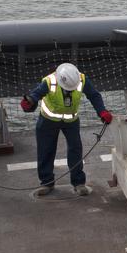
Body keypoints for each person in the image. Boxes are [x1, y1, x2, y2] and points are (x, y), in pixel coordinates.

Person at [19, 62, 112, 196]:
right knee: (45, 150)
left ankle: (78, 182)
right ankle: (47, 182)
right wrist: (29, 103)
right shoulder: (49, 81)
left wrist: (102, 111)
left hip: (70, 121)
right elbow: (35, 95)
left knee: (75, 149)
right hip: (48, 120)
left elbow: (94, 95)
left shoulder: (82, 79)